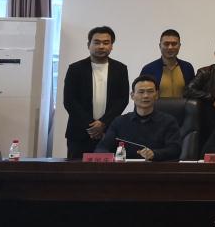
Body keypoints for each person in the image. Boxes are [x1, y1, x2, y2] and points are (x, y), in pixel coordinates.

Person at [63, 26, 130, 159]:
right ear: (89, 45)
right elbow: (70, 101)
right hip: (80, 133)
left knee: (108, 170)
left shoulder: (120, 69)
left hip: (109, 132)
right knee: (76, 170)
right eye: (97, 42)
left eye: (106, 43)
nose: (101, 46)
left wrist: (103, 123)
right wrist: (92, 126)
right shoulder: (75, 69)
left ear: (111, 46)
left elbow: (122, 100)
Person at [95, 75, 181, 161]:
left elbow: (175, 149)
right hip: (125, 168)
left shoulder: (168, 121)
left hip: (156, 167)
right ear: (132, 95)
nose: (146, 96)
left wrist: (155, 154)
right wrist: (108, 158)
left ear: (157, 95)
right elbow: (101, 148)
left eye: (150, 91)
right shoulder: (119, 122)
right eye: (141, 92)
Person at [139, 28, 194, 98]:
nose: (170, 47)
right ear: (160, 46)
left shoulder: (187, 67)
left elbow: (192, 93)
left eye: (174, 44)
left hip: (183, 105)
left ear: (179, 46)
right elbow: (141, 96)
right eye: (166, 44)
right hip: (157, 105)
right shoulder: (148, 69)